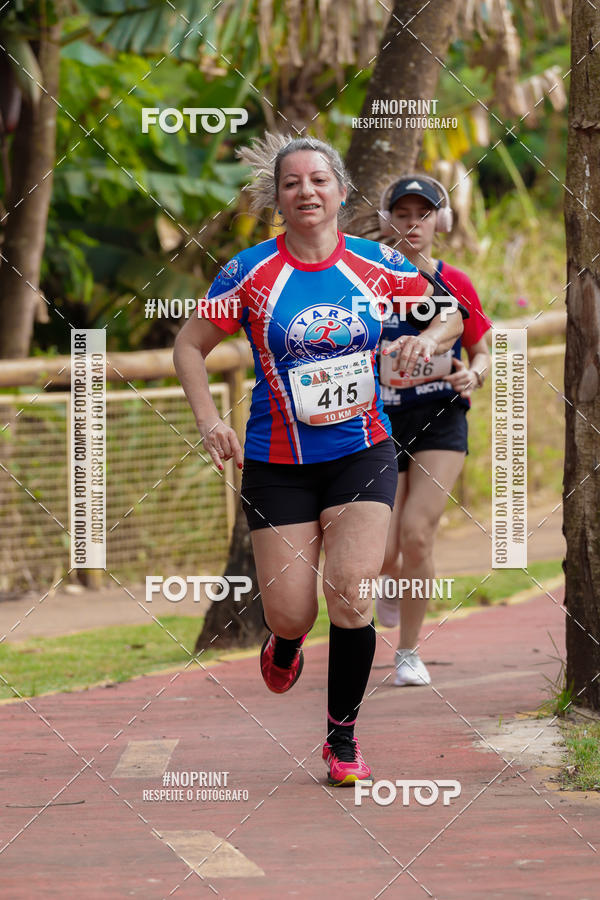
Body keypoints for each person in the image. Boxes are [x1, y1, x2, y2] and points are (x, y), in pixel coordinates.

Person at [173, 136, 465, 786]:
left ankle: (342, 737)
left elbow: (448, 315)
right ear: (277, 198)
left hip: (362, 450)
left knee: (353, 592)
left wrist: (426, 335)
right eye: (292, 183)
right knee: (291, 611)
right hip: (276, 459)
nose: (306, 191)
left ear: (339, 192)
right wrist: (209, 420)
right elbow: (190, 345)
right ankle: (286, 641)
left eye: (318, 180)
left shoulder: (377, 262)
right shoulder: (249, 272)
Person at [375, 174, 492, 687]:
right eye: (402, 214)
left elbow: (482, 346)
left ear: (440, 221)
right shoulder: (368, 280)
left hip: (442, 417)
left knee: (417, 535)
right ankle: (385, 579)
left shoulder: (456, 282)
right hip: (377, 422)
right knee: (382, 552)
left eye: (423, 214)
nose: (413, 224)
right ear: (388, 221)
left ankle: (408, 654)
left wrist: (475, 371)